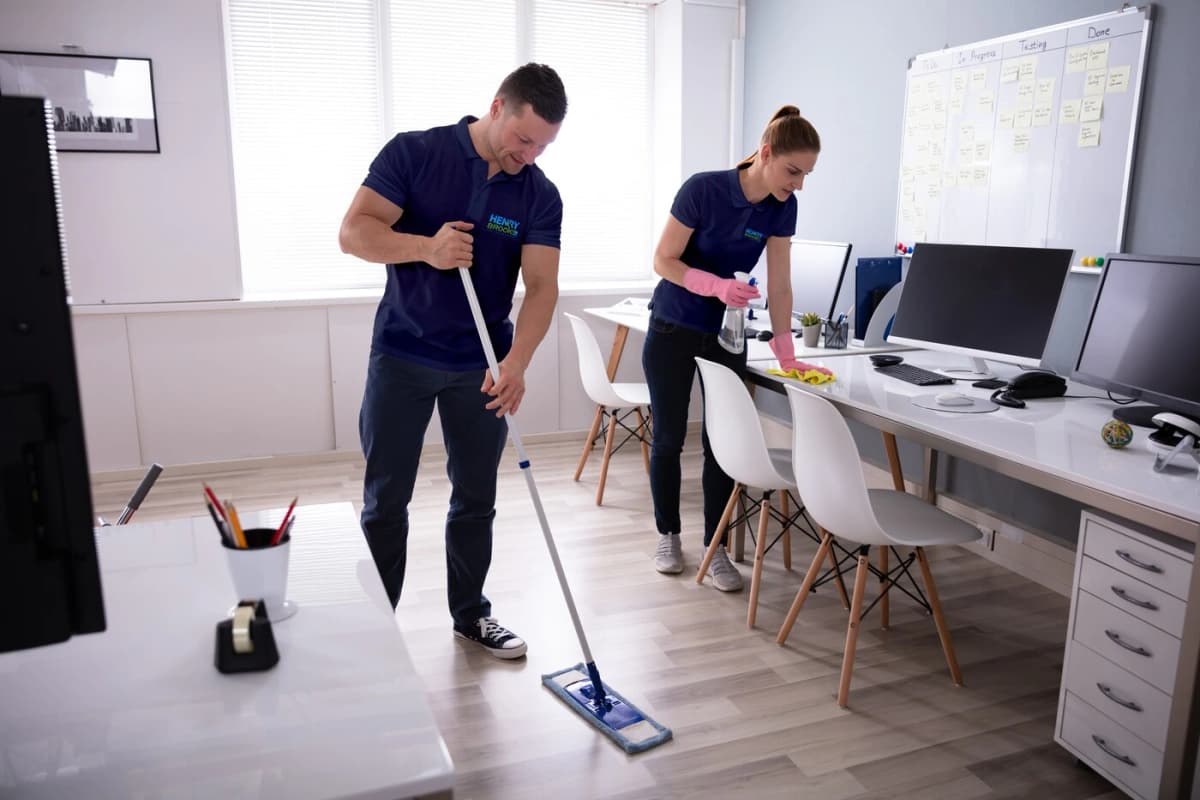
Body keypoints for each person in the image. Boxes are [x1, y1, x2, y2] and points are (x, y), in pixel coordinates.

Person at [337, 64, 567, 659]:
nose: (529, 154)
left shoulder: (538, 193)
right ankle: (375, 627)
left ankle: (471, 615)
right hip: (402, 354)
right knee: (386, 499)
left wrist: (516, 363)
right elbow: (354, 232)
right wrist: (426, 249)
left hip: (483, 367)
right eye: (523, 139)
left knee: (476, 497)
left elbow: (542, 288)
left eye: (543, 145)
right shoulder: (416, 153)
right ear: (497, 107)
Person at [642, 105, 831, 591]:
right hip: (672, 328)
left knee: (721, 444)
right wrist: (712, 285)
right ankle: (668, 534)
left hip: (726, 336)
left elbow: (781, 284)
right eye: (793, 171)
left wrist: (786, 349)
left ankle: (716, 547)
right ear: (765, 154)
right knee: (668, 439)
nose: (800, 184)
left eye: (807, 174)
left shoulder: (782, 206)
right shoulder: (703, 189)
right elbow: (663, 260)